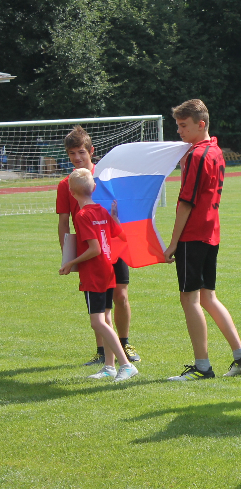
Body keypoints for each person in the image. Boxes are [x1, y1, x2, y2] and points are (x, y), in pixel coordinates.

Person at [164, 99, 241, 380]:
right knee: (208, 297)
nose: (179, 131)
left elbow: (186, 202)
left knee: (189, 299)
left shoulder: (196, 155)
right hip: (211, 232)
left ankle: (202, 366)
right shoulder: (214, 150)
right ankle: (240, 356)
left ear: (200, 124)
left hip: (194, 234)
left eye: (183, 126)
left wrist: (173, 242)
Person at [56, 126, 139, 365]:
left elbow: (123, 212)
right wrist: (67, 254)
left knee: (120, 296)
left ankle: (124, 344)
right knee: (98, 305)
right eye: (72, 153)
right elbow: (63, 222)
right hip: (90, 252)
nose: (77, 158)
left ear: (91, 151)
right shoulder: (66, 185)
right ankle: (103, 352)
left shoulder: (106, 179)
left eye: (81, 152)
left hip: (114, 247)